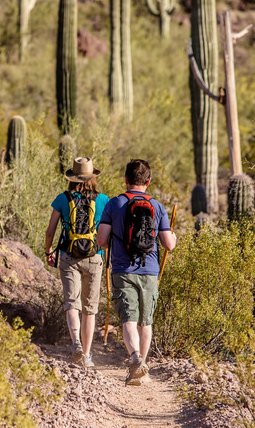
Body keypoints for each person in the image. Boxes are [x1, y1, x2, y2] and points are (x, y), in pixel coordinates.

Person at [96, 159, 176, 386]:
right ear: (148, 181)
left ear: (126, 179)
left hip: (122, 269)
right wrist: (175, 239)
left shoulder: (114, 204)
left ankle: (135, 360)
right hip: (150, 271)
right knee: (145, 321)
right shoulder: (157, 207)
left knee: (128, 319)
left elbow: (102, 241)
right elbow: (168, 244)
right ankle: (143, 366)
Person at [45, 157, 109, 368]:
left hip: (68, 255)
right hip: (94, 256)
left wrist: (48, 251)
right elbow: (108, 231)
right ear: (92, 177)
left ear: (72, 177)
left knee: (71, 302)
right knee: (89, 309)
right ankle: (87, 356)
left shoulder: (62, 199)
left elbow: (50, 230)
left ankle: (76, 345)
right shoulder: (103, 200)